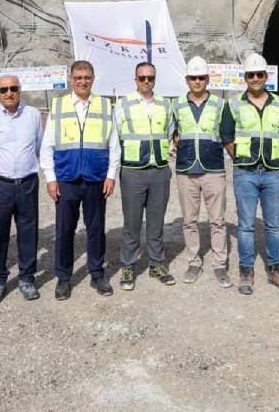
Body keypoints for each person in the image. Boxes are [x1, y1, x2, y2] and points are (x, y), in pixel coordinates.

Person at [39, 60, 119, 300]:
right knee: (64, 230)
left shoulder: (105, 106)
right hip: (67, 178)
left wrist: (111, 175)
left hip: (95, 179)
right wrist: (51, 179)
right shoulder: (59, 105)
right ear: (71, 79)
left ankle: (97, 273)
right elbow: (47, 146)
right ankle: (63, 277)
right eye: (78, 77)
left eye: (87, 77)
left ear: (93, 79)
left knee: (96, 229)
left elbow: (114, 145)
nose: (83, 81)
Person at [220, 52, 279, 295]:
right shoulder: (233, 104)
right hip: (245, 172)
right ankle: (246, 271)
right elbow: (227, 136)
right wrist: (239, 157)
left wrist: (271, 154)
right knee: (246, 225)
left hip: (272, 171)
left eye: (259, 74)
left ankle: (275, 270)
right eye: (250, 75)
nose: (255, 79)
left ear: (265, 76)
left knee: (273, 225)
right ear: (245, 77)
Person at [0, 75, 44, 303]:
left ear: (20, 90)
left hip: (27, 183)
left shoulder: (33, 115)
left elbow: (39, 146)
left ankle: (27, 278)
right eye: (3, 90)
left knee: (28, 233)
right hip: (0, 185)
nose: (9, 93)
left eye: (13, 88)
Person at [171, 56, 232, 287]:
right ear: (187, 80)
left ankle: (219, 264)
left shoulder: (219, 104)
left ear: (207, 79)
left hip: (213, 169)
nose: (197, 81)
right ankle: (194, 261)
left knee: (217, 220)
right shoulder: (176, 105)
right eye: (193, 78)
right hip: (186, 170)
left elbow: (226, 134)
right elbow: (172, 133)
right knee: (189, 220)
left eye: (201, 78)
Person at [116, 62, 176, 290]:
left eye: (150, 78)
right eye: (142, 78)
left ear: (155, 79)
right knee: (131, 223)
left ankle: (157, 264)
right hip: (133, 172)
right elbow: (118, 136)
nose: (146, 82)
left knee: (156, 222)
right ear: (135, 80)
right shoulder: (123, 105)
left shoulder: (164, 104)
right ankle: (128, 265)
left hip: (159, 171)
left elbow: (168, 132)